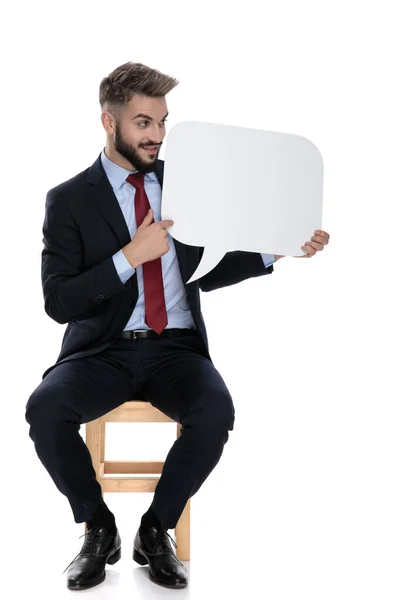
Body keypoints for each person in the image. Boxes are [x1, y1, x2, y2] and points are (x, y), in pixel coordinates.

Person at [25, 61, 330, 592]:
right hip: (101, 352)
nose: (158, 136)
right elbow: (58, 301)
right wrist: (129, 256)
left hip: (177, 350)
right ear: (109, 122)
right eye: (144, 123)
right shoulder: (69, 199)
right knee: (45, 409)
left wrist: (276, 250)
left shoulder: (185, 182)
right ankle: (97, 527)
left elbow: (207, 270)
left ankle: (154, 529)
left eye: (163, 122)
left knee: (216, 411)